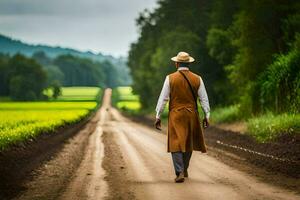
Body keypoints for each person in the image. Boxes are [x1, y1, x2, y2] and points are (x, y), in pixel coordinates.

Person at [154, 51, 210, 183]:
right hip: (192, 114)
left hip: (176, 115)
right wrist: (207, 115)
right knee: (188, 142)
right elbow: (204, 99)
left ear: (176, 63)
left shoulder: (170, 78)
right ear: (189, 63)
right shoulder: (198, 78)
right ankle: (184, 168)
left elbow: (163, 99)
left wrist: (158, 115)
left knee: (176, 143)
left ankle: (179, 171)